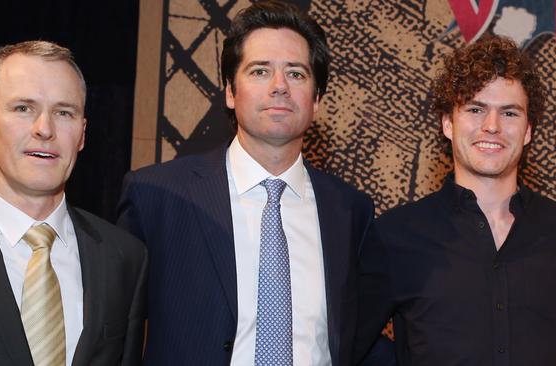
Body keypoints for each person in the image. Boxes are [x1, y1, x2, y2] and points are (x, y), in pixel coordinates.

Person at [117, 1, 375, 365]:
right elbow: (115, 334)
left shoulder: (351, 212)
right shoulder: (157, 197)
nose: (279, 86)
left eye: (297, 74)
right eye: (259, 71)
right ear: (229, 90)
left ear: (317, 100)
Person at [356, 35, 556, 365]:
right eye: (475, 109)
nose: (492, 126)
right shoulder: (394, 235)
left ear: (528, 130)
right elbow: (348, 345)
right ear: (447, 124)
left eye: (510, 113)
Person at [0, 41, 147, 366]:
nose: (45, 129)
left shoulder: (124, 259)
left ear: (82, 134)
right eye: (23, 108)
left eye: (63, 112)